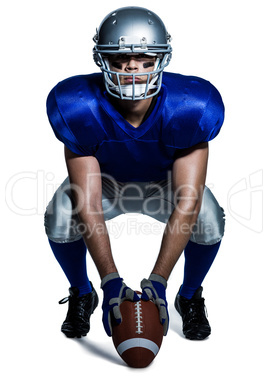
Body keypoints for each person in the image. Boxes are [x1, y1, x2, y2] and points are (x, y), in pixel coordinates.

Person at [45, 6, 225, 341]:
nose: (131, 67)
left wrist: (157, 280)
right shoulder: (78, 107)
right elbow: (88, 199)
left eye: (144, 59)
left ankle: (187, 296)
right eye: (119, 59)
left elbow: (188, 197)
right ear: (102, 61)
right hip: (106, 186)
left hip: (164, 185)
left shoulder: (191, 107)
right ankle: (83, 291)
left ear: (161, 60)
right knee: (60, 215)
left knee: (209, 219)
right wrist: (110, 280)